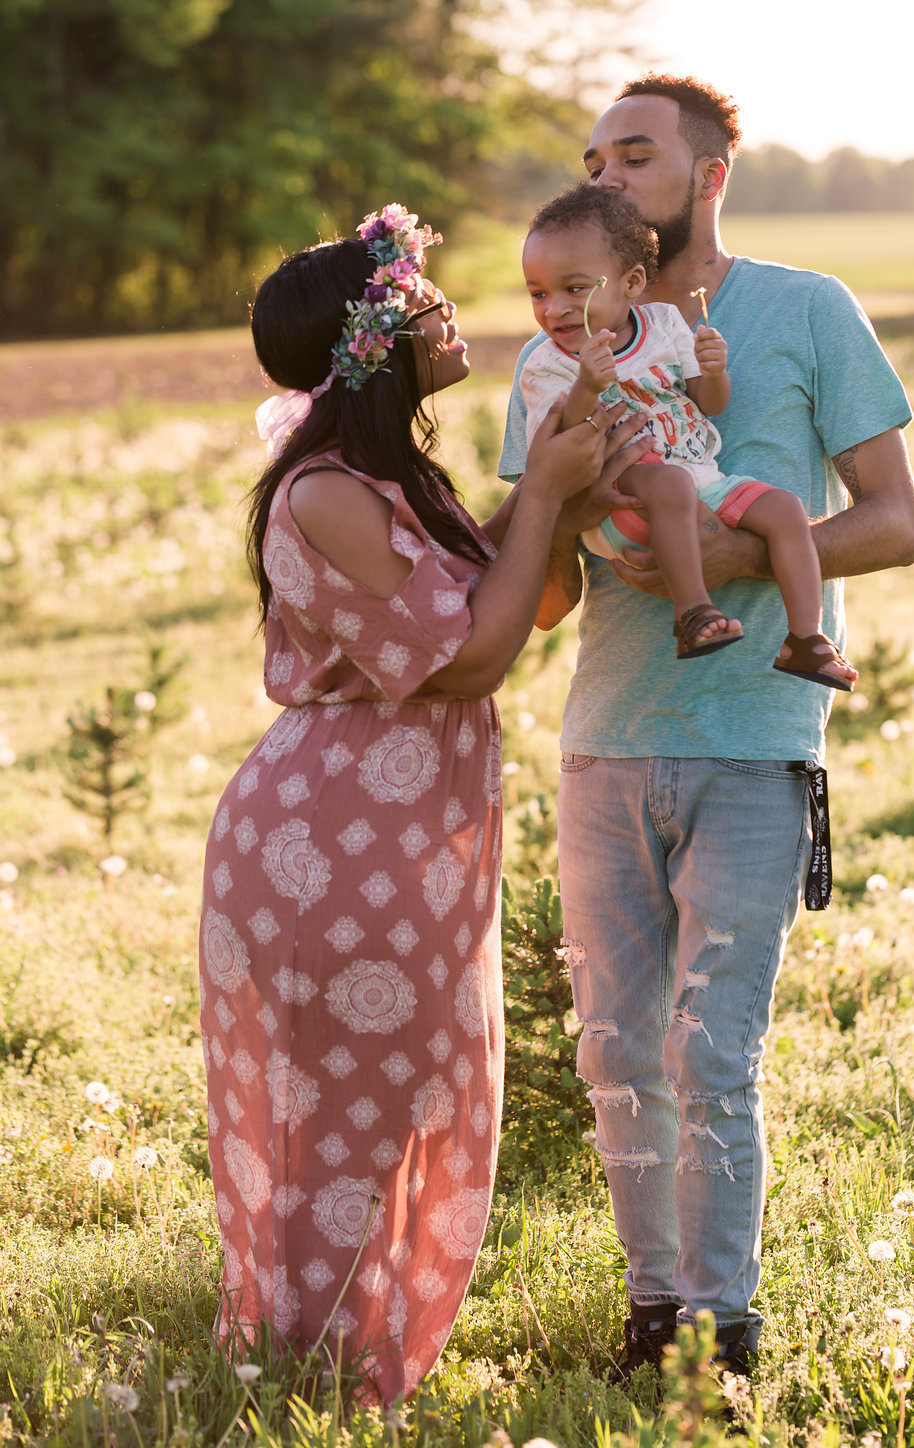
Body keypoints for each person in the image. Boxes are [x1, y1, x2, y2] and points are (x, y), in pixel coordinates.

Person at [498, 77, 914, 1378]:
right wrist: (553, 501)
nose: (610, 177)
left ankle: (725, 1326)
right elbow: (554, 595)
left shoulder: (805, 311)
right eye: (593, 158)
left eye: (639, 154)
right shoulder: (553, 350)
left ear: (710, 173)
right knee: (619, 1049)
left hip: (754, 742)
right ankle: (652, 1308)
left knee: (711, 1044)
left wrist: (732, 557)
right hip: (605, 740)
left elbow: (896, 522)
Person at [198, 202, 631, 1407]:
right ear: (371, 339)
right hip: (328, 848)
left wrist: (560, 483)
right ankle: (315, 1376)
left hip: (403, 838)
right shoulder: (325, 494)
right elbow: (474, 660)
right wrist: (539, 492)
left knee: (407, 1092)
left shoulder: (390, 477)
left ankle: (346, 1362)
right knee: (345, 1115)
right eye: (417, 297)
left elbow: (516, 609)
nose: (446, 310)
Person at [520, 183, 857, 683]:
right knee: (671, 482)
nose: (555, 309)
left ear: (631, 282)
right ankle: (694, 615)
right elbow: (558, 454)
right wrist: (587, 387)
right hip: (623, 501)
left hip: (700, 477)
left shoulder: (662, 326)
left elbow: (709, 404)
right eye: (538, 294)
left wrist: (714, 370)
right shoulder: (547, 365)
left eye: (575, 289)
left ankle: (806, 639)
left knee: (785, 508)